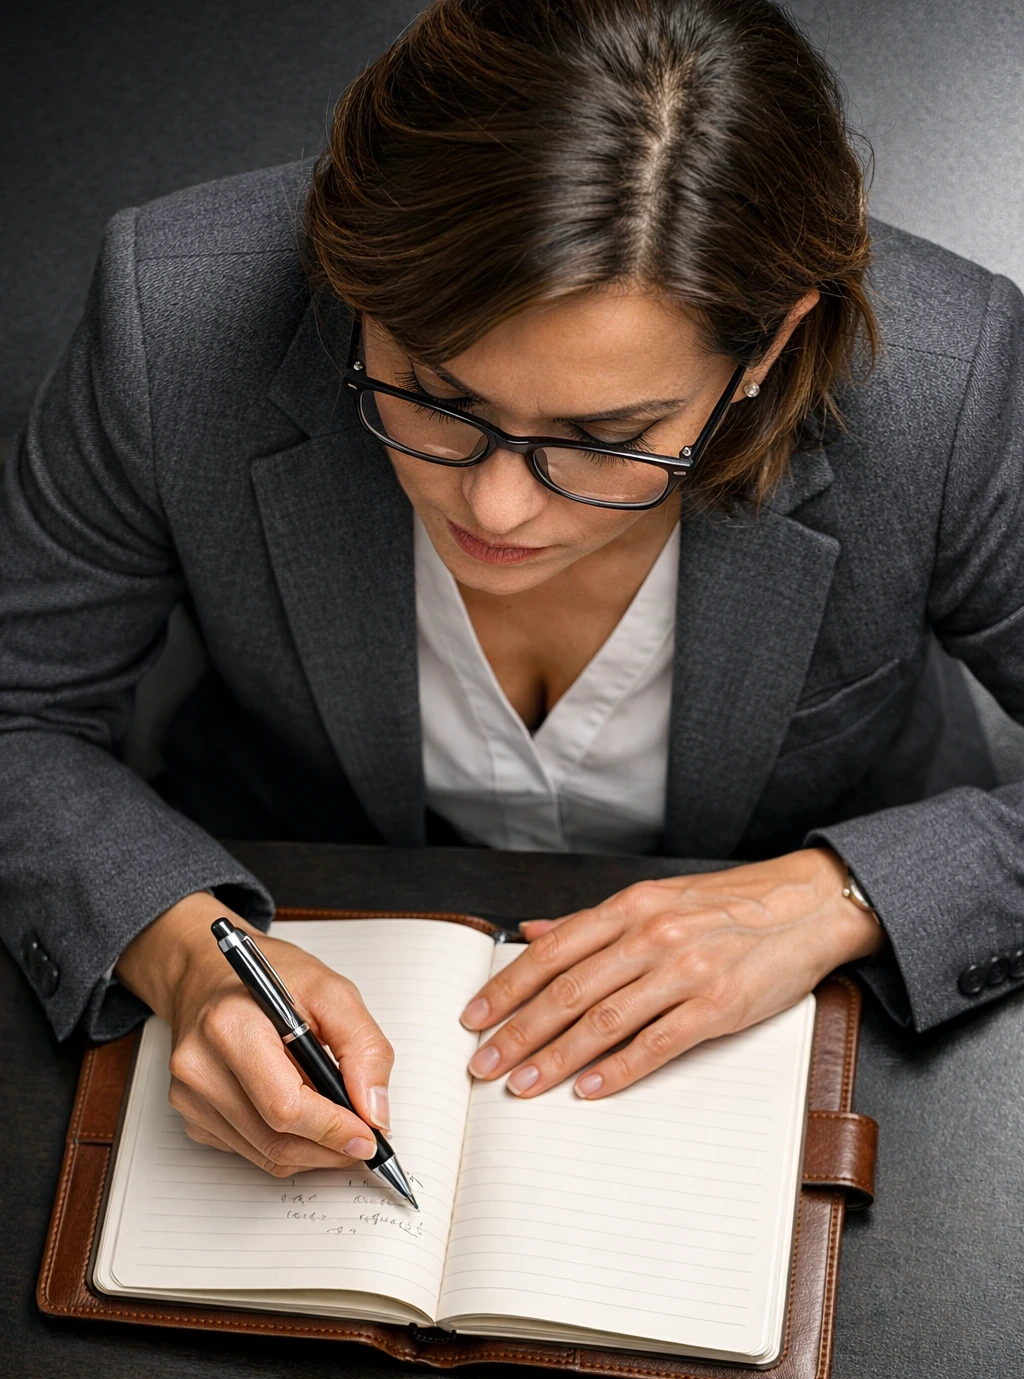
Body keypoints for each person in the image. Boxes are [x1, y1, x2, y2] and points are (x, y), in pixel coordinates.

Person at [2, 0, 1022, 1179]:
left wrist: (844, 893)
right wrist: (183, 948)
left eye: (609, 437)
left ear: (770, 349)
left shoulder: (947, 386)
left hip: (846, 1029)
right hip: (301, 878)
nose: (495, 511)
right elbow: (19, 711)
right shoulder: (171, 320)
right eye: (438, 398)